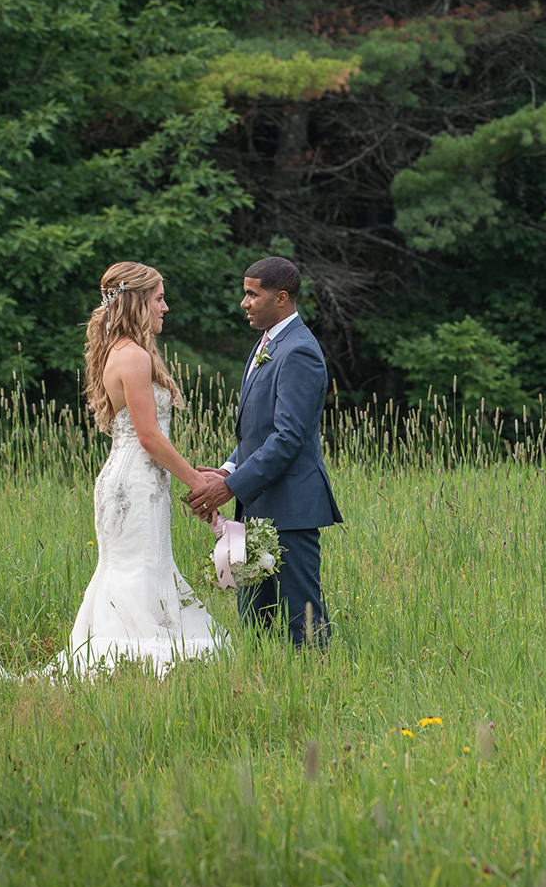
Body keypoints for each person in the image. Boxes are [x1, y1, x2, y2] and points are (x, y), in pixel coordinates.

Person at [62, 261, 228, 676]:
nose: (165, 308)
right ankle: (135, 655)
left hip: (136, 476)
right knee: (135, 565)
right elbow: (150, 437)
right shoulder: (132, 356)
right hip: (134, 481)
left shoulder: (123, 351)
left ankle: (134, 649)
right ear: (137, 302)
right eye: (158, 299)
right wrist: (198, 484)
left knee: (141, 563)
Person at [187, 256, 341, 647]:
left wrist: (232, 487)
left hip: (291, 508)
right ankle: (263, 689)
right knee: (255, 620)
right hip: (257, 506)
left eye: (252, 294)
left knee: (301, 618)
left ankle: (315, 687)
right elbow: (257, 432)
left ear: (282, 298)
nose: (244, 302)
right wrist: (226, 472)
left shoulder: (299, 351)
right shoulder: (267, 342)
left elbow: (288, 438)